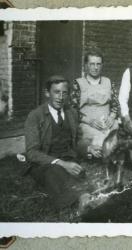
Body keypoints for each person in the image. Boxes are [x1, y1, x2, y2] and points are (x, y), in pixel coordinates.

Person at [25, 75, 87, 211]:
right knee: (55, 173)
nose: (60, 97)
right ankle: (79, 201)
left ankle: (83, 195)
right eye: (56, 92)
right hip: (45, 162)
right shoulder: (35, 116)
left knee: (82, 172)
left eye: (64, 93)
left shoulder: (72, 113)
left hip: (68, 158)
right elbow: (31, 152)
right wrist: (61, 163)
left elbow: (77, 141)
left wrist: (88, 149)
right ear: (47, 93)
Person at [71, 50, 119, 159]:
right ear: (86, 65)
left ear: (102, 65)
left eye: (98, 64)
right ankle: (105, 154)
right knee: (100, 137)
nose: (95, 67)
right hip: (88, 124)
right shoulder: (78, 83)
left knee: (116, 133)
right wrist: (89, 121)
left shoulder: (108, 82)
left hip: (107, 123)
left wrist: (111, 117)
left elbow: (116, 105)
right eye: (92, 64)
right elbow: (73, 110)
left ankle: (108, 153)